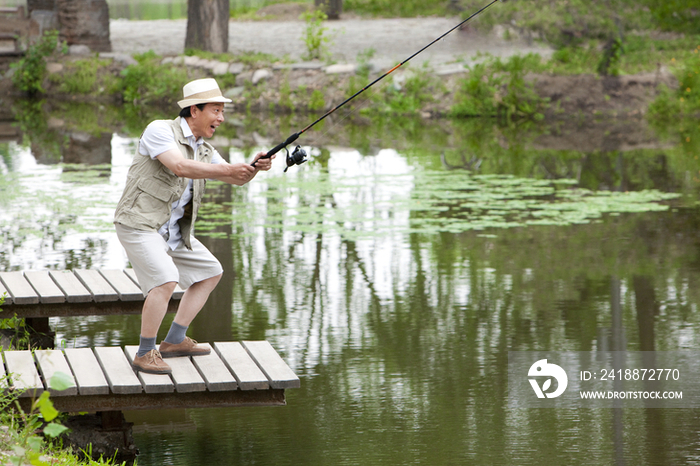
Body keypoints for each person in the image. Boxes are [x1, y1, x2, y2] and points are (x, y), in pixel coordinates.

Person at [114, 78, 274, 374]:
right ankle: (145, 352)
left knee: (210, 272)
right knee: (165, 279)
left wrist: (254, 167)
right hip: (139, 224)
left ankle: (174, 341)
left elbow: (234, 177)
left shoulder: (205, 149)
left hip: (173, 231)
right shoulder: (160, 130)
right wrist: (228, 169)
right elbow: (179, 166)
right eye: (216, 110)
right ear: (194, 110)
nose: (221, 118)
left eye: (222, 111)